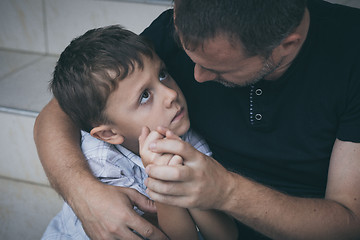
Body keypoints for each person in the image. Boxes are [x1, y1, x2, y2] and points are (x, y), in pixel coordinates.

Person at [33, 0, 360, 239]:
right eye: (183, 55)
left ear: (285, 47)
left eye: (218, 69)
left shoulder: (350, 54)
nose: (194, 78)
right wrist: (83, 192)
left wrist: (225, 192)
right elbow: (66, 109)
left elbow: (349, 224)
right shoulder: (178, 27)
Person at [40, 25, 237, 240]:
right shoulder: (104, 165)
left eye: (162, 75)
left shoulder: (183, 136)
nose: (170, 94)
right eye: (144, 96)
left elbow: (225, 236)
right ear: (108, 134)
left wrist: (193, 187)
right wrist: (160, 183)